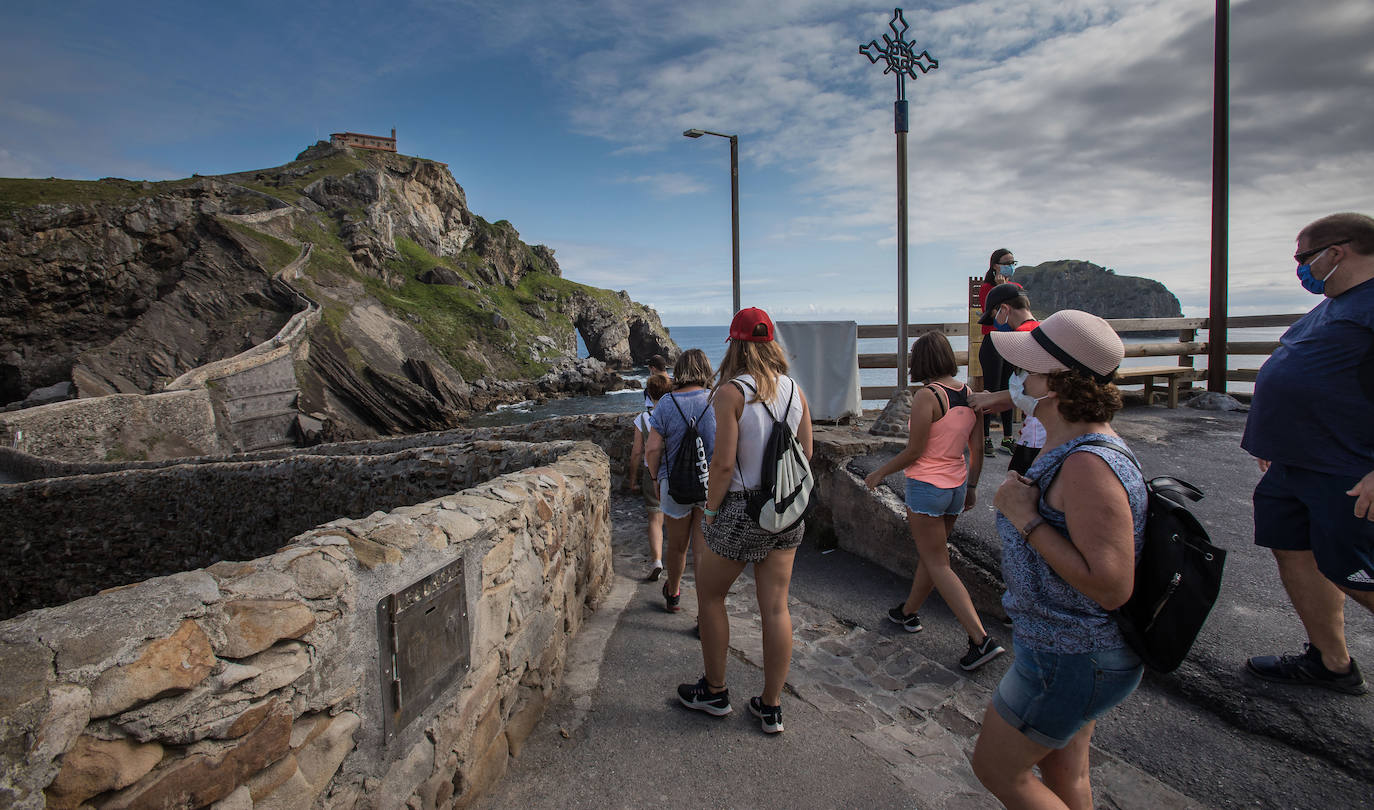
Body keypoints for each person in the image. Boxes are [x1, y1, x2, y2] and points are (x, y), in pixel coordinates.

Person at [969, 310, 1146, 810]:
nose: (1019, 379)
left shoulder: (1088, 462)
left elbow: (1112, 585)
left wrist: (1026, 518)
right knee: (1064, 772)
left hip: (1069, 652)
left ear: (1060, 384)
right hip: (1068, 646)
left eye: (1030, 371)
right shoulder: (1075, 446)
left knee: (997, 769)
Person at [1240, 212, 1374, 696]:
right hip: (1297, 461)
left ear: (1337, 252)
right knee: (1295, 551)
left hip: (1346, 468)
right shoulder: (1336, 304)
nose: (1301, 269)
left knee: (1356, 568)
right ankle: (1330, 661)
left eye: (1304, 257)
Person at [676, 307, 812, 734]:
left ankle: (715, 692)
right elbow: (806, 453)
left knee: (710, 597)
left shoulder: (731, 393)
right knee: (775, 606)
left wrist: (711, 513)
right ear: (771, 344)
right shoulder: (795, 391)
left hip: (739, 509)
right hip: (785, 508)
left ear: (734, 345)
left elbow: (721, 465)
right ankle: (771, 706)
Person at [863, 331, 1004, 672]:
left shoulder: (928, 396)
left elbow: (915, 451)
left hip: (927, 487)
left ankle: (980, 639)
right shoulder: (969, 393)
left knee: (938, 562)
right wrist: (971, 487)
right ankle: (908, 612)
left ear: (921, 360)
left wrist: (879, 473)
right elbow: (977, 448)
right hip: (956, 485)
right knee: (933, 557)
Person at [646, 349, 716, 614]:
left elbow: (652, 449)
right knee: (702, 551)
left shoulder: (666, 403)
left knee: (677, 546)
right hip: (709, 485)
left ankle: (673, 593)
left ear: (680, 371)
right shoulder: (716, 399)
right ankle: (703, 613)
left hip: (674, 484)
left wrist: (655, 478)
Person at [971, 287, 1044, 475]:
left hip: (1038, 433)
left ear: (1004, 309)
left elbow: (1034, 389)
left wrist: (992, 398)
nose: (995, 323)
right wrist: (1000, 401)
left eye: (995, 315)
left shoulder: (1022, 337)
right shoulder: (1041, 331)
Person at [629, 373, 674, 581]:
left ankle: (657, 560)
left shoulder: (642, 419)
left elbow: (637, 452)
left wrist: (632, 479)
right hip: (675, 472)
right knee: (677, 519)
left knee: (655, 519)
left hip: (652, 473)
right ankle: (676, 563)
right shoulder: (675, 414)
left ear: (649, 394)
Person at [977, 250, 1020, 456]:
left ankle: (1007, 437)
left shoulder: (1017, 288)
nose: (1011, 265)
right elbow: (995, 315)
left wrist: (1006, 288)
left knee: (1009, 389)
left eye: (1013, 262)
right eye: (1006, 262)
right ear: (995, 265)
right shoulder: (987, 289)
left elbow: (1017, 313)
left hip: (1011, 342)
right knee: (991, 391)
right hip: (993, 342)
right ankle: (985, 438)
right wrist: (1002, 288)